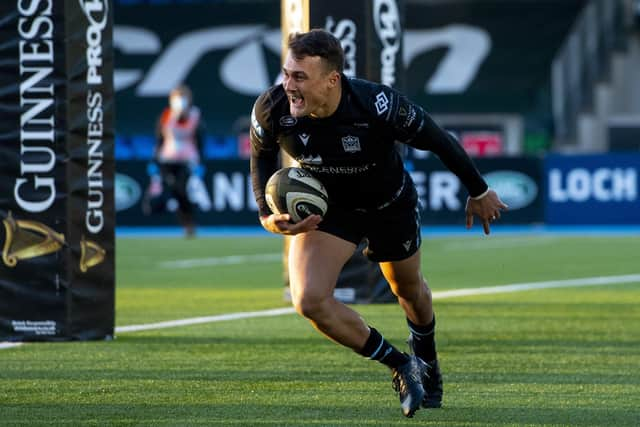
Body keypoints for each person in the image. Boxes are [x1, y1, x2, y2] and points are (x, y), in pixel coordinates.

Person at [249, 29, 508, 418]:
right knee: (309, 300)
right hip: (331, 210)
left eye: (299, 77)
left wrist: (478, 190)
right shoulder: (273, 107)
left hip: (389, 205)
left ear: (331, 80)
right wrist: (267, 215)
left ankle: (428, 360)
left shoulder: (378, 105)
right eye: (286, 74)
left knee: (407, 289)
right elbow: (261, 156)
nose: (288, 86)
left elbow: (438, 139)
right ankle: (401, 364)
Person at [148, 84, 205, 237]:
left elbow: (199, 139)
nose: (179, 101)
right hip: (167, 159)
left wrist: (200, 161)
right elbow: (159, 138)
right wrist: (154, 160)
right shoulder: (166, 115)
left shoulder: (195, 115)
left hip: (187, 160)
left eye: (182, 97)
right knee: (172, 191)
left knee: (182, 190)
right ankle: (184, 224)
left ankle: (189, 223)